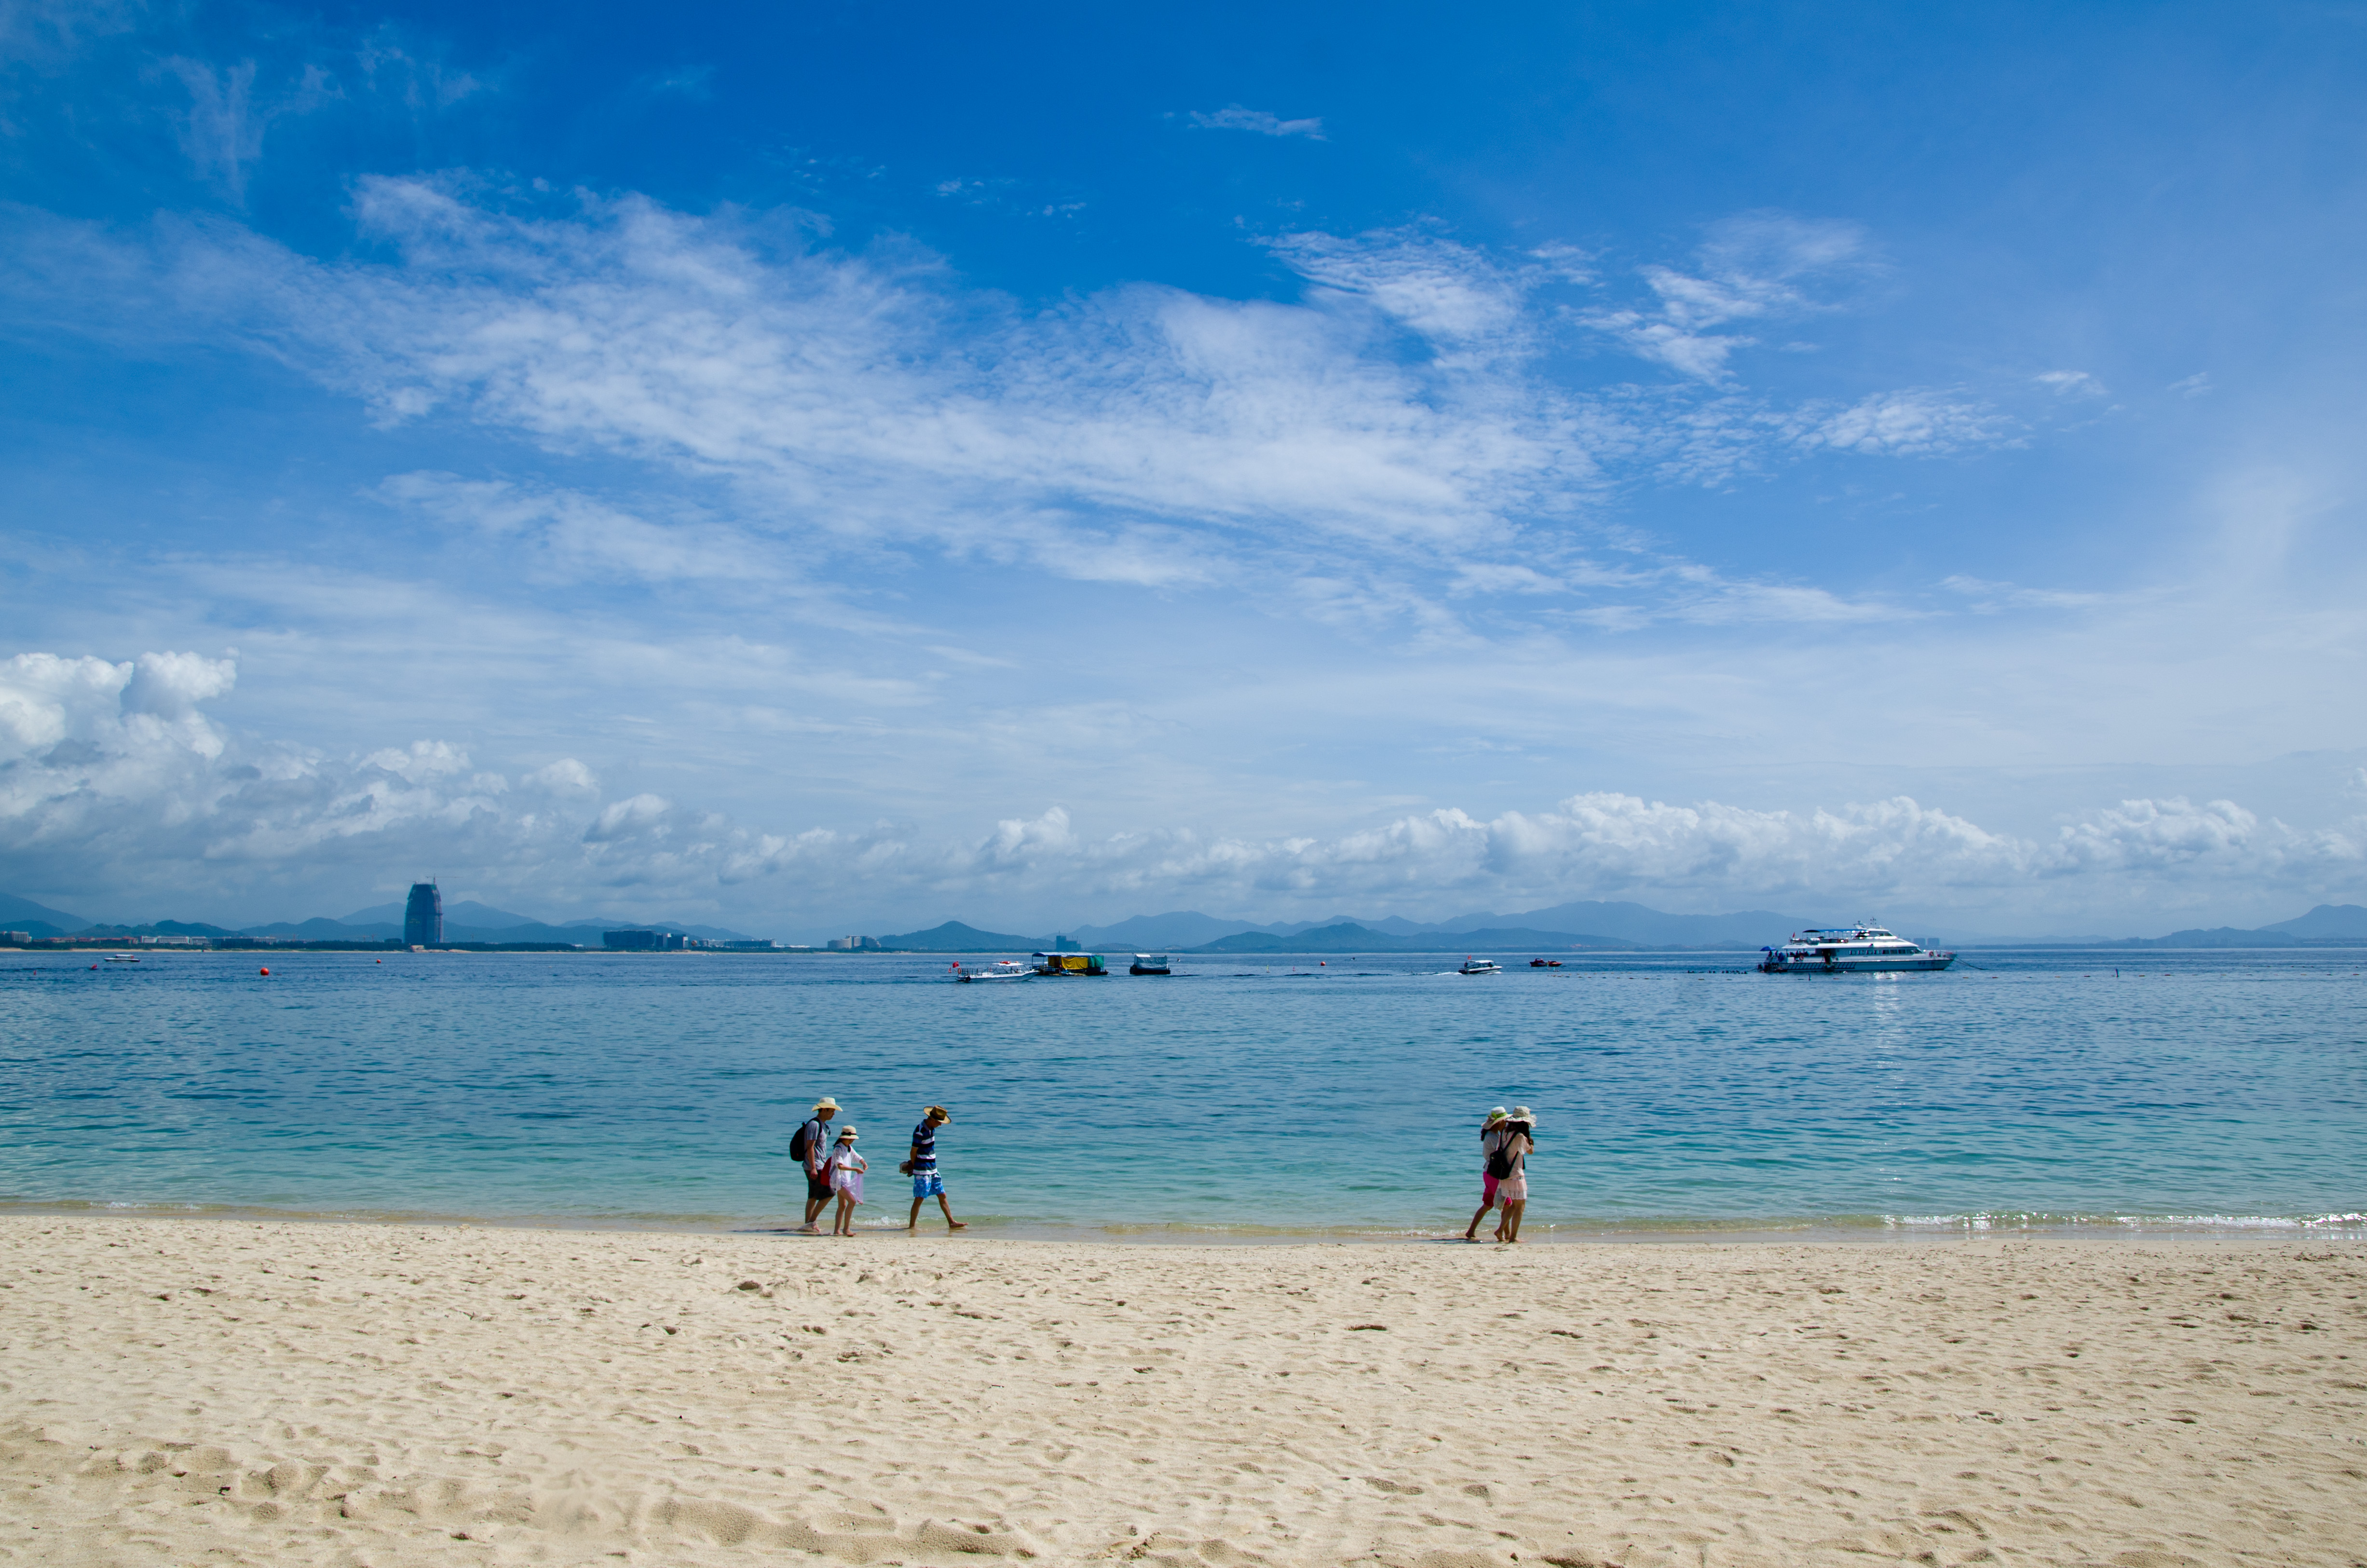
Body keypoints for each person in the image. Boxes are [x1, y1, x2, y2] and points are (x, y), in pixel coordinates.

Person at [906, 1105, 966, 1232]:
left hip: (933, 1169)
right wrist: (914, 1167)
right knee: (920, 1198)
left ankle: (952, 1222)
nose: (941, 1125)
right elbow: (913, 1152)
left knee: (942, 1195)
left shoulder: (931, 1129)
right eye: (940, 1122)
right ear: (933, 1120)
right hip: (923, 1171)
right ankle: (912, 1227)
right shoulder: (920, 1131)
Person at [1462, 1107, 1510, 1241]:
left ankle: (1471, 1231)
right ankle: (1506, 1234)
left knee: (1488, 1204)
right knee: (1507, 1204)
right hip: (1495, 1173)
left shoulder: (1492, 1136)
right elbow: (1503, 1153)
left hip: (1489, 1172)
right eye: (1504, 1122)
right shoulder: (1493, 1138)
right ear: (1500, 1123)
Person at [794, 1097, 839, 1234]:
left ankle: (808, 1225)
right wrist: (813, 1167)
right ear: (824, 1110)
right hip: (815, 1166)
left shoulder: (823, 1125)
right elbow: (810, 1147)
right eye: (832, 1111)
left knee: (813, 1196)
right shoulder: (814, 1124)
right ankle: (811, 1222)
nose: (834, 1114)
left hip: (819, 1165)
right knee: (830, 1193)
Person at [1493, 1107, 1535, 1244]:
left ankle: (1501, 1230)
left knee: (1513, 1206)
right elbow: (1530, 1152)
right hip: (1516, 1175)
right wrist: (1531, 1142)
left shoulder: (1504, 1133)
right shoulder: (1520, 1137)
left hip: (1504, 1175)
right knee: (1521, 1207)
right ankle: (1513, 1237)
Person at [829, 1126, 867, 1236]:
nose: (852, 1141)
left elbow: (856, 1156)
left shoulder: (848, 1148)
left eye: (852, 1139)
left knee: (842, 1206)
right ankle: (846, 1229)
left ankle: (837, 1231)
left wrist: (863, 1162)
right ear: (843, 1138)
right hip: (838, 1181)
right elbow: (840, 1166)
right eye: (850, 1139)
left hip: (844, 1181)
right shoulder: (838, 1149)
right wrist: (855, 1169)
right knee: (852, 1201)